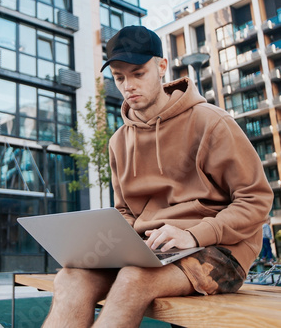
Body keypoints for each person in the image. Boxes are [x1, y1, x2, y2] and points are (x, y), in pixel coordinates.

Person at [42, 25, 274, 328]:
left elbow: (256, 200)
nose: (129, 86)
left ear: (161, 67)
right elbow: (125, 210)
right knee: (71, 278)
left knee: (133, 279)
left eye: (139, 74)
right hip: (150, 251)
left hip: (220, 252)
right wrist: (109, 244)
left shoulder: (211, 122)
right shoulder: (119, 142)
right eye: (120, 77)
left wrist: (193, 235)